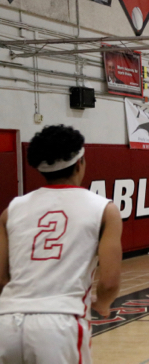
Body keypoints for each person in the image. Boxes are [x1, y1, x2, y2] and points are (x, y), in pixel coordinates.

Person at [0, 125, 123, 363]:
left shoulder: (11, 210)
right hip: (60, 323)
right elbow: (109, 282)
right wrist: (103, 304)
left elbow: (1, 280)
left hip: (6, 323)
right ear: (80, 163)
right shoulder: (104, 209)